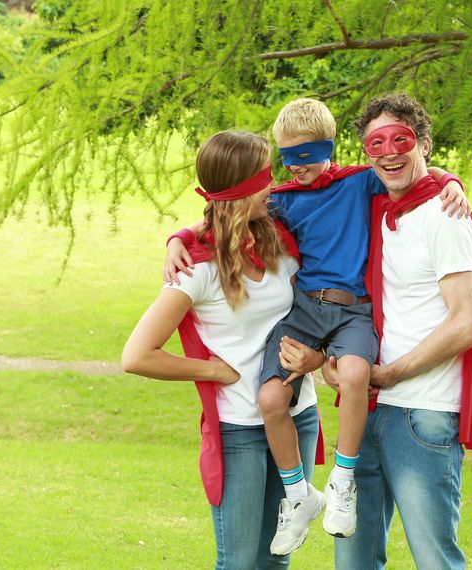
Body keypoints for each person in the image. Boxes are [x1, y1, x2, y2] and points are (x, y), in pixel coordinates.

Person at [163, 98, 471, 555]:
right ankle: (299, 495)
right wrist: (180, 238)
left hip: (353, 312)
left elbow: (412, 174)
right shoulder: (282, 200)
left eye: (308, 155)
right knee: (269, 395)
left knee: (352, 375)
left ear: (330, 147)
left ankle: (342, 479)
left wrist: (452, 182)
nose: (298, 167)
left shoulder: (359, 182)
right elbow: (226, 208)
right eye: (288, 158)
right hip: (307, 311)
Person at [122, 130, 327, 569]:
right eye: (263, 178)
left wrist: (318, 357)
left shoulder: (277, 239)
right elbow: (136, 355)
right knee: (238, 562)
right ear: (240, 190)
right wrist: (214, 372)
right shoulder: (197, 271)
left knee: (276, 560)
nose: (273, 185)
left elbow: (314, 315)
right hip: (240, 430)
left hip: (298, 415)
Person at [324, 93, 472, 570]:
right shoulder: (377, 206)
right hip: (367, 409)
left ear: (424, 143)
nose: (388, 152)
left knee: (434, 560)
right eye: (375, 143)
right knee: (352, 560)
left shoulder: (446, 215)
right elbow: (279, 199)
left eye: (400, 139)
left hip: (422, 413)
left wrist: (393, 373)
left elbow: (467, 324)